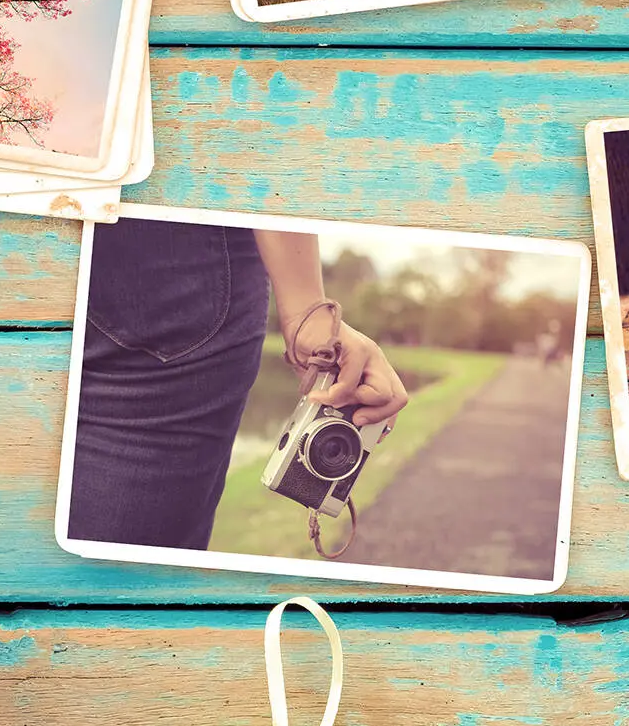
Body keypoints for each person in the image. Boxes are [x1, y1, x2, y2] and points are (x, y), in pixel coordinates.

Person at [67, 216, 411, 550]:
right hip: (179, 270)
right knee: (116, 591)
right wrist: (304, 303)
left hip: (154, 270)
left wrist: (308, 309)